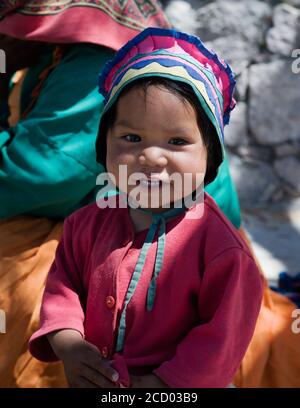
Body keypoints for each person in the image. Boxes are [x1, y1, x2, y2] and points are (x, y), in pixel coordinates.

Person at [29, 28, 263, 388]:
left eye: (177, 141)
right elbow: (64, 287)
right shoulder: (84, 224)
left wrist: (161, 384)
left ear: (210, 155)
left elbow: (221, 337)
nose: (152, 156)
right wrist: (69, 344)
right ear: (103, 145)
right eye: (132, 138)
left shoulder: (220, 249)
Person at [0, 0, 170, 387]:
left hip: (154, 233)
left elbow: (40, 175)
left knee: (20, 297)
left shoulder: (100, 58)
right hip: (90, 210)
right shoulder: (66, 43)